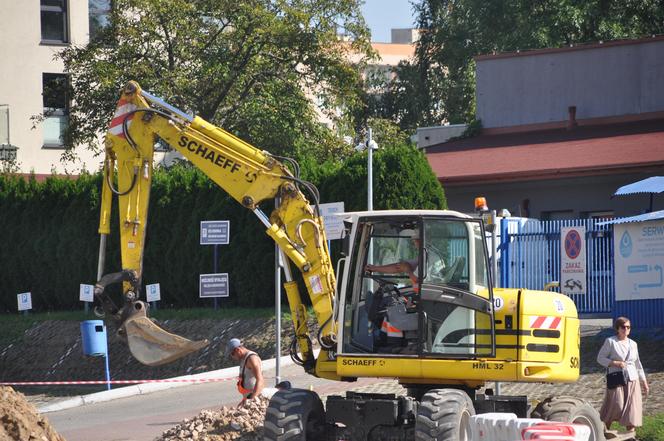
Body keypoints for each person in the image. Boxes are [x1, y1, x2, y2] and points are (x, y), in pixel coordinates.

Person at [596, 317, 649, 436]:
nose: (626, 329)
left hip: (632, 378)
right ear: (618, 328)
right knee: (615, 405)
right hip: (617, 378)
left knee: (632, 409)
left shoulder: (633, 344)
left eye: (628, 327)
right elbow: (600, 358)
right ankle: (602, 433)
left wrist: (644, 381)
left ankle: (630, 435)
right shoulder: (610, 341)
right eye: (623, 327)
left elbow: (637, 364)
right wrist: (615, 363)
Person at [225, 338, 265, 406]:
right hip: (248, 399)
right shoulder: (243, 359)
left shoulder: (252, 359)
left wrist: (252, 400)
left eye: (232, 354)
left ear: (238, 350)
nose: (232, 357)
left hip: (255, 400)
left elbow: (260, 380)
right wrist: (244, 400)